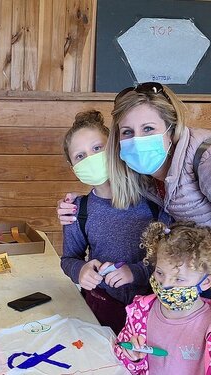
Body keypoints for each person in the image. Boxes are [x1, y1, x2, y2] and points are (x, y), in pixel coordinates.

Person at [58, 82, 211, 366]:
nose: (138, 140)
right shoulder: (149, 176)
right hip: (205, 287)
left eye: (148, 129)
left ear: (171, 129)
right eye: (127, 132)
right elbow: (112, 193)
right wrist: (74, 205)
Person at [114, 221, 211, 374]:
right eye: (160, 273)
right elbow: (122, 354)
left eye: (179, 279)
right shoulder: (140, 312)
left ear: (207, 282)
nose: (165, 285)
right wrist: (133, 357)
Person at [60, 110, 160, 334]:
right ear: (73, 167)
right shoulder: (78, 209)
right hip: (101, 306)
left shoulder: (154, 201)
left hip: (154, 309)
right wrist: (80, 271)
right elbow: (69, 258)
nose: (91, 158)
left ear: (114, 146)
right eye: (80, 156)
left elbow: (172, 257)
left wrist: (135, 272)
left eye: (97, 148)